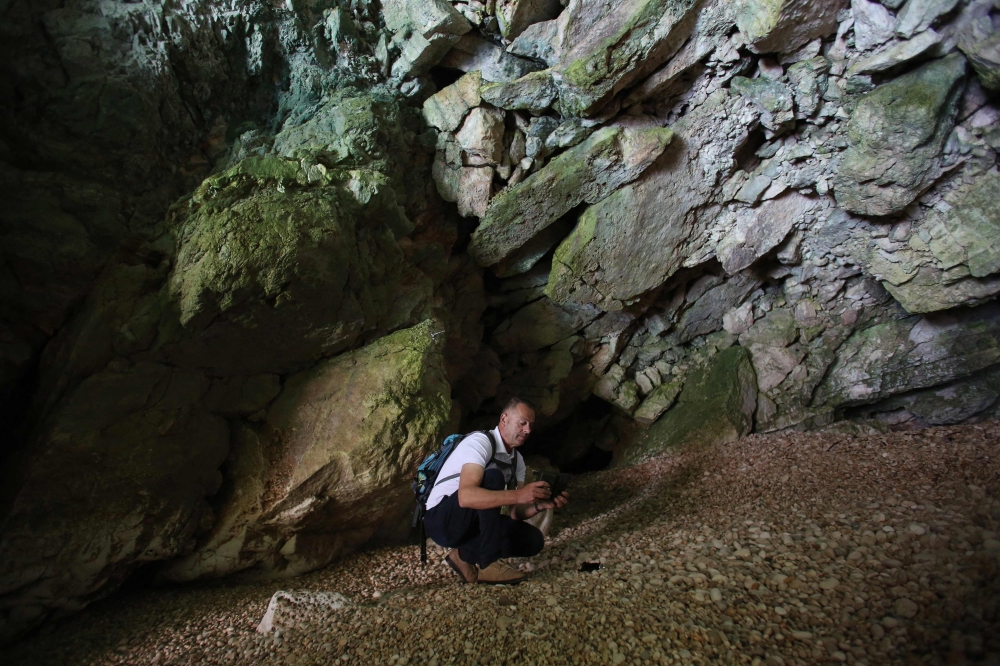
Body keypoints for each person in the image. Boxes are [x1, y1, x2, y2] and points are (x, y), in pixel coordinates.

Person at [423, 397, 569, 584]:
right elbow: (465, 497)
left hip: (474, 523)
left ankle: (462, 556)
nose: (528, 430)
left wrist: (540, 505)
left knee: (532, 539)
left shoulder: (517, 461)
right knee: (493, 476)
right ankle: (488, 562)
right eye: (522, 423)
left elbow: (516, 513)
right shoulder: (479, 442)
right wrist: (518, 494)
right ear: (504, 419)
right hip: (442, 520)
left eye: (530, 425)